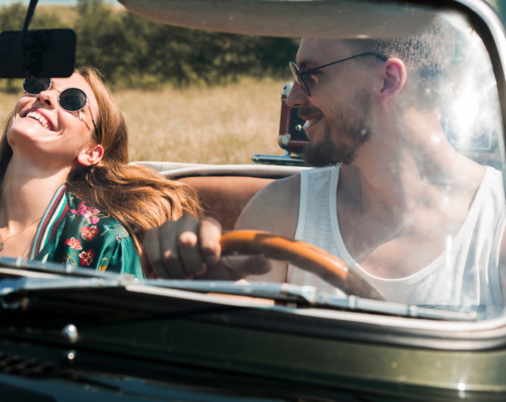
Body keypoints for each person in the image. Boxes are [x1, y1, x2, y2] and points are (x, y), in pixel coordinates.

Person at [142, 21, 506, 316]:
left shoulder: (497, 222)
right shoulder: (284, 210)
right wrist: (201, 288)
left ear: (388, 80)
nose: (294, 98)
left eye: (312, 75)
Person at [0, 66, 201, 278]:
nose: (45, 96)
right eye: (38, 85)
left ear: (91, 152)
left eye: (72, 102)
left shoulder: (103, 242)